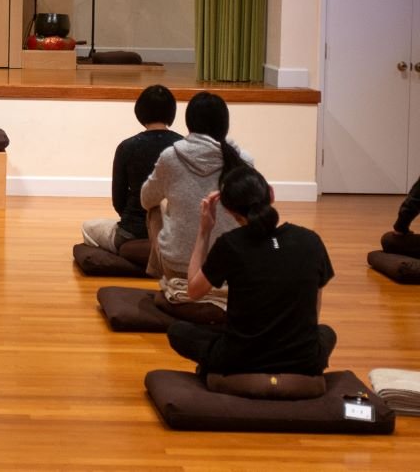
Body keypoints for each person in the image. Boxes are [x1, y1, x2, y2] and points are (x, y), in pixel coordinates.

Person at [166, 166, 336, 376]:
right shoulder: (311, 240)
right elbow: (313, 312)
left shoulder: (230, 244)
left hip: (239, 361)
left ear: (230, 212)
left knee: (178, 331)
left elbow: (193, 291)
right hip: (303, 361)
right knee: (327, 332)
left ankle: (218, 372)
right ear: (271, 193)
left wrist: (204, 231)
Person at [140, 91, 252, 310]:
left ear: (189, 122)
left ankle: (163, 279)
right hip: (229, 268)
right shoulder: (243, 160)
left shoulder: (170, 157)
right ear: (225, 124)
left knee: (154, 208)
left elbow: (146, 199)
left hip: (178, 267)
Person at [81, 85, 182, 252]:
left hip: (132, 233)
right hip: (174, 233)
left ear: (140, 111)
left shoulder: (127, 147)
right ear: (171, 112)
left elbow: (118, 200)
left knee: (88, 227)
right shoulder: (183, 146)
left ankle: (137, 252)